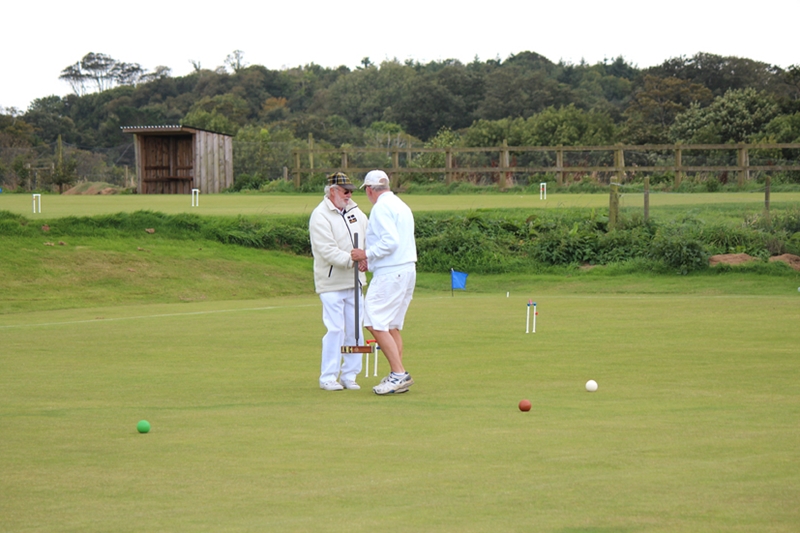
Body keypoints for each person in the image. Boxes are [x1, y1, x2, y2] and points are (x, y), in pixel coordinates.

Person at [350, 170, 417, 395]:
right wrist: (373, 261)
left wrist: (366, 254)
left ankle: (399, 374)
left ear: (369, 190)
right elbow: (395, 244)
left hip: (392, 274)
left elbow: (390, 242)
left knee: (373, 321)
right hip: (406, 270)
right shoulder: (401, 205)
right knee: (390, 325)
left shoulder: (380, 208)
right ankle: (396, 374)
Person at [309, 172, 368, 391]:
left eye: (351, 190)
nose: (349, 194)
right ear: (332, 191)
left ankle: (350, 375)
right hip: (331, 282)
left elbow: (367, 237)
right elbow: (326, 250)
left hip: (355, 282)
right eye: (345, 191)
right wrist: (353, 260)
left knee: (355, 330)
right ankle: (328, 377)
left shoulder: (356, 211)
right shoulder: (320, 215)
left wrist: (366, 258)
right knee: (335, 329)